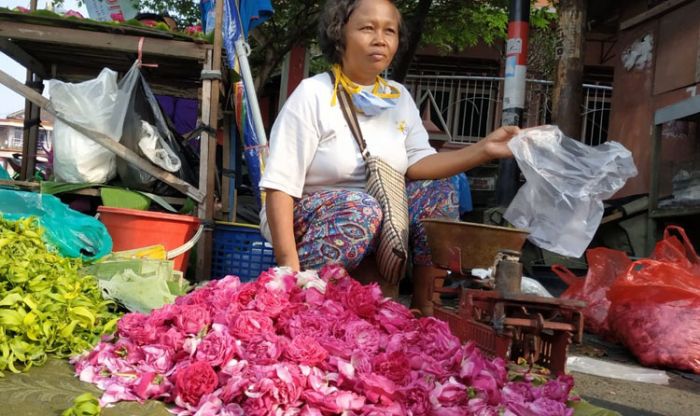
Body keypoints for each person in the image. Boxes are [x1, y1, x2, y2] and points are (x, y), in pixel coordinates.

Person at [259, 0, 519, 315]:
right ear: (339, 35)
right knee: (361, 206)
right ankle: (311, 298)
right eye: (367, 28)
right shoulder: (312, 94)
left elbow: (420, 165)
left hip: (380, 217)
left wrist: (484, 148)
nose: (380, 39)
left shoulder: (398, 98)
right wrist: (289, 269)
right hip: (312, 221)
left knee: (440, 188)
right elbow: (279, 187)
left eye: (390, 31)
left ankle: (425, 310)